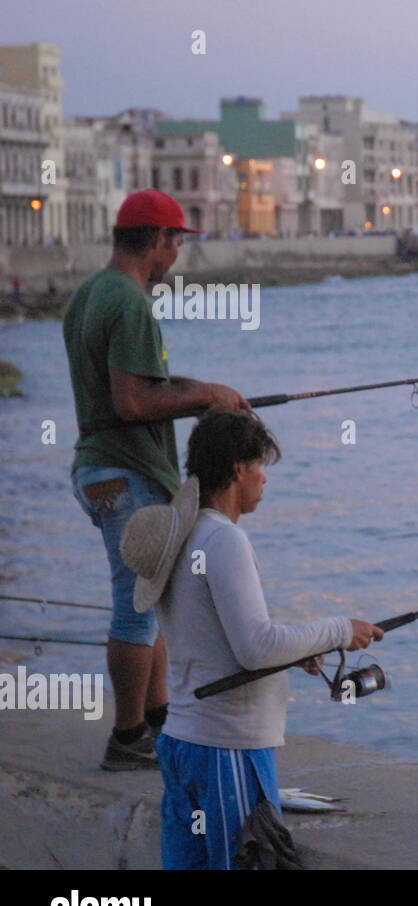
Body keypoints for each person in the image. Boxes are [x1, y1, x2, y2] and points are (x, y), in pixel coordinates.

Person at [121, 409, 384, 869]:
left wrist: (299, 650)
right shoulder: (224, 541)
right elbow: (256, 647)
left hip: (183, 743)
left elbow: (211, 637)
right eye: (261, 465)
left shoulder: (181, 537)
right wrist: (340, 629)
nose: (265, 478)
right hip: (227, 749)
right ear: (239, 469)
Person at [63, 189, 248, 771]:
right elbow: (135, 401)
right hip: (126, 472)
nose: (177, 258)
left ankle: (160, 717)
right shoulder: (131, 302)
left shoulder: (89, 294)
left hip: (99, 466)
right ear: (157, 242)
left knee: (155, 598)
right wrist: (206, 396)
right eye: (176, 244)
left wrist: (204, 394)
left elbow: (140, 387)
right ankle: (126, 737)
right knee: (135, 608)